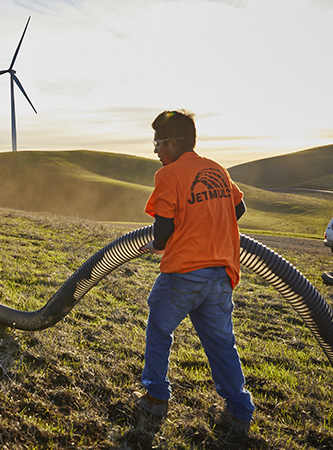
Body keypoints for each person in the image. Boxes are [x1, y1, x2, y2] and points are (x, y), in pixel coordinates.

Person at [133, 110, 254, 433]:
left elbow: (163, 229)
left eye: (158, 143)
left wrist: (161, 244)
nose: (155, 150)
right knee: (221, 344)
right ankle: (240, 411)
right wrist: (209, 230)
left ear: (174, 142)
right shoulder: (216, 169)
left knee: (159, 331)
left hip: (183, 273)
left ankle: (157, 398)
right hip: (221, 274)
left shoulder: (169, 175)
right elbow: (238, 207)